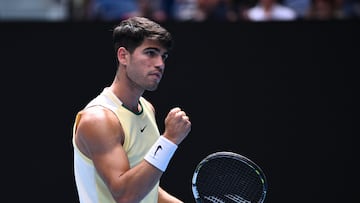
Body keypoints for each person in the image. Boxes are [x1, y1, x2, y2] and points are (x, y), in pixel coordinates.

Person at [72, 16, 192, 203]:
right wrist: (169, 140)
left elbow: (146, 187)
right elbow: (126, 195)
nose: (160, 64)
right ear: (123, 56)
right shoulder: (99, 119)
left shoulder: (147, 109)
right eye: (151, 53)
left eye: (163, 56)